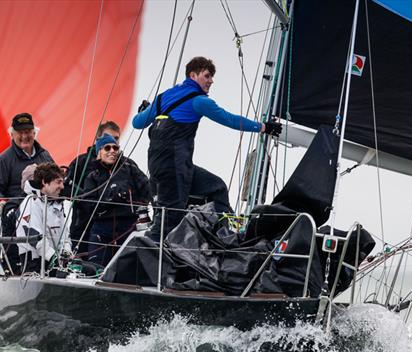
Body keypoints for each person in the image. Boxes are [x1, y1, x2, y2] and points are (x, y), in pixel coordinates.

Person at [132, 56, 281, 240]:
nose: (211, 81)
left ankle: (220, 240)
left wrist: (144, 112)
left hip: (163, 166)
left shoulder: (162, 98)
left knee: (216, 189)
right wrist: (263, 127)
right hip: (174, 168)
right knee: (169, 220)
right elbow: (230, 119)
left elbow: (137, 123)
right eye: (207, 76)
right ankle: (141, 260)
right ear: (193, 75)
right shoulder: (199, 101)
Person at [0, 112, 54, 273]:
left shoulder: (44, 155)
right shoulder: (4, 159)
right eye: (20, 132)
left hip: (43, 215)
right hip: (16, 215)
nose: (24, 136)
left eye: (28, 132)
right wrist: (1, 203)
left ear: (34, 132)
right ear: (12, 134)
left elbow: (55, 178)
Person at [76, 134, 151, 266]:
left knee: (129, 270)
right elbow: (89, 206)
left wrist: (140, 204)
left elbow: (147, 188)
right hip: (102, 229)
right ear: (99, 152)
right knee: (97, 268)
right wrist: (110, 199)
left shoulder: (130, 168)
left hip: (128, 227)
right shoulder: (92, 177)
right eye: (107, 148)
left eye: (115, 148)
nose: (112, 151)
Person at [65, 120, 122, 254]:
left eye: (116, 138)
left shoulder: (125, 164)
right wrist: (86, 200)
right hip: (83, 223)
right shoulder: (81, 162)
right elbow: (64, 186)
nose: (111, 141)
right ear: (97, 139)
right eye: (108, 136)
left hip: (114, 226)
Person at [16, 162, 69, 274]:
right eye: (58, 182)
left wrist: (67, 252)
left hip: (55, 261)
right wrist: (52, 257)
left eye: (62, 182)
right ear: (45, 182)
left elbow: (65, 234)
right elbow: (34, 235)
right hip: (34, 263)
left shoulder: (57, 204)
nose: (62, 187)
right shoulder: (31, 203)